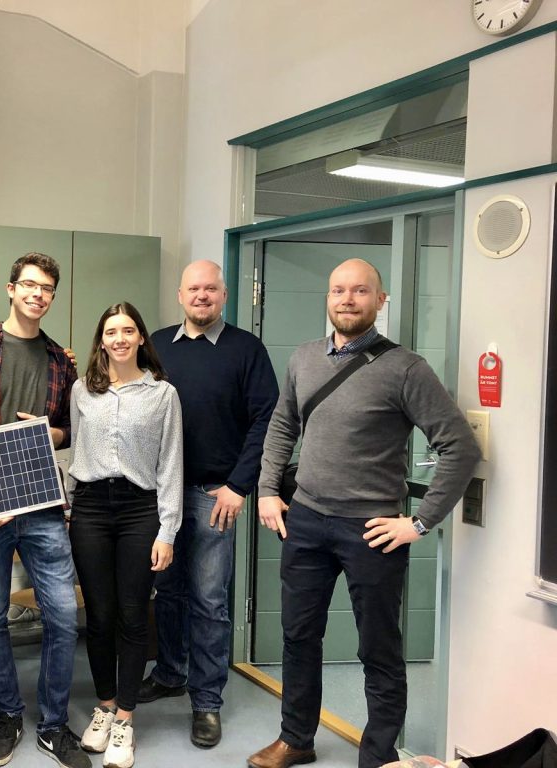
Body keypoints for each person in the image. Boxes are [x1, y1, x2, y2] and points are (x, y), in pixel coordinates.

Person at [248, 258, 480, 768]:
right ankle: (296, 739)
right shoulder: (304, 358)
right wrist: (267, 489)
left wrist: (419, 522)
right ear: (327, 299)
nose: (347, 299)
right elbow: (282, 426)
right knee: (298, 636)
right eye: (337, 290)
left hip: (372, 530)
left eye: (359, 291)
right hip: (305, 520)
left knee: (378, 649)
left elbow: (459, 448)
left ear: (380, 300)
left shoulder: (406, 368)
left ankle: (378, 758)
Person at [0, 252, 87, 768]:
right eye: (29, 285)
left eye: (47, 288)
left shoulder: (61, 361)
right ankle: (9, 715)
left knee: (64, 615)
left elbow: (75, 428)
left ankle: (53, 724)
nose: (38, 294)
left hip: (43, 505)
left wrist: (57, 432)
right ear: (10, 289)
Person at [139, 260, 278, 748]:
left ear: (224, 295)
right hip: (160, 496)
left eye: (211, 289)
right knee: (169, 593)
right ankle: (171, 672)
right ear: (180, 295)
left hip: (215, 494)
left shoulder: (246, 350)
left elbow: (268, 420)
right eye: (194, 288)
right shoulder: (154, 345)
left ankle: (207, 701)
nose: (202, 296)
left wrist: (240, 486)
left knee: (209, 600)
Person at [67, 302, 183, 768]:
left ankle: (126, 720)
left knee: (133, 617)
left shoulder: (162, 395)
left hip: (140, 510)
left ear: (139, 339)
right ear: (101, 340)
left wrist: (168, 531)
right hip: (91, 509)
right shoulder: (82, 391)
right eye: (110, 331)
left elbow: (172, 464)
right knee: (98, 615)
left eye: (128, 330)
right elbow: (77, 449)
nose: (119, 338)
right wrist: (70, 507)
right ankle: (105, 707)